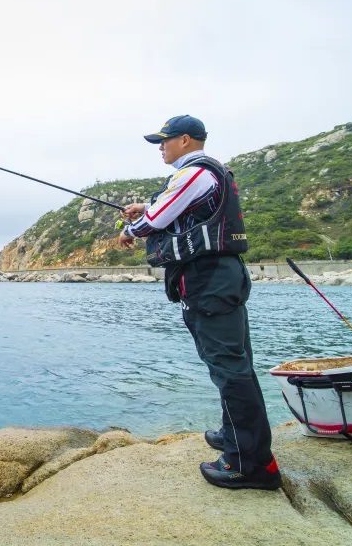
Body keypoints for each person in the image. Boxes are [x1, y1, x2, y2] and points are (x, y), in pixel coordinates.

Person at [116, 115, 281, 490]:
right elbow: (173, 209)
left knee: (229, 369)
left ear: (186, 140)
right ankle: (234, 435)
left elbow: (154, 222)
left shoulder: (191, 172)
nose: (161, 147)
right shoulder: (206, 173)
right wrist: (146, 205)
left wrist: (132, 227)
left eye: (164, 141)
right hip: (222, 277)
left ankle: (250, 465)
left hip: (209, 281)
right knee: (237, 363)